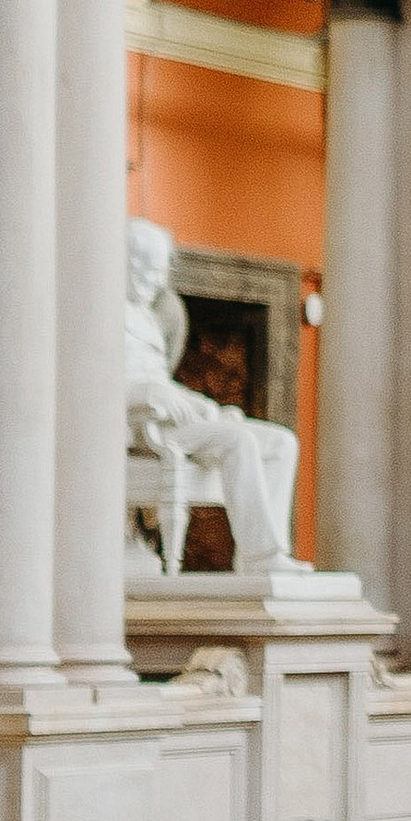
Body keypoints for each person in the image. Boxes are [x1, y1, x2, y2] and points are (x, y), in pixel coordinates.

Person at [126, 217, 300, 571]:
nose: (154, 282)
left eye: (158, 272)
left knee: (281, 443)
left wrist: (208, 408)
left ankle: (273, 553)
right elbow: (89, 383)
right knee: (237, 441)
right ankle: (259, 554)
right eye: (145, 272)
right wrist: (148, 392)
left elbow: (162, 381)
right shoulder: (100, 314)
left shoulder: (145, 317)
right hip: (142, 424)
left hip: (171, 418)